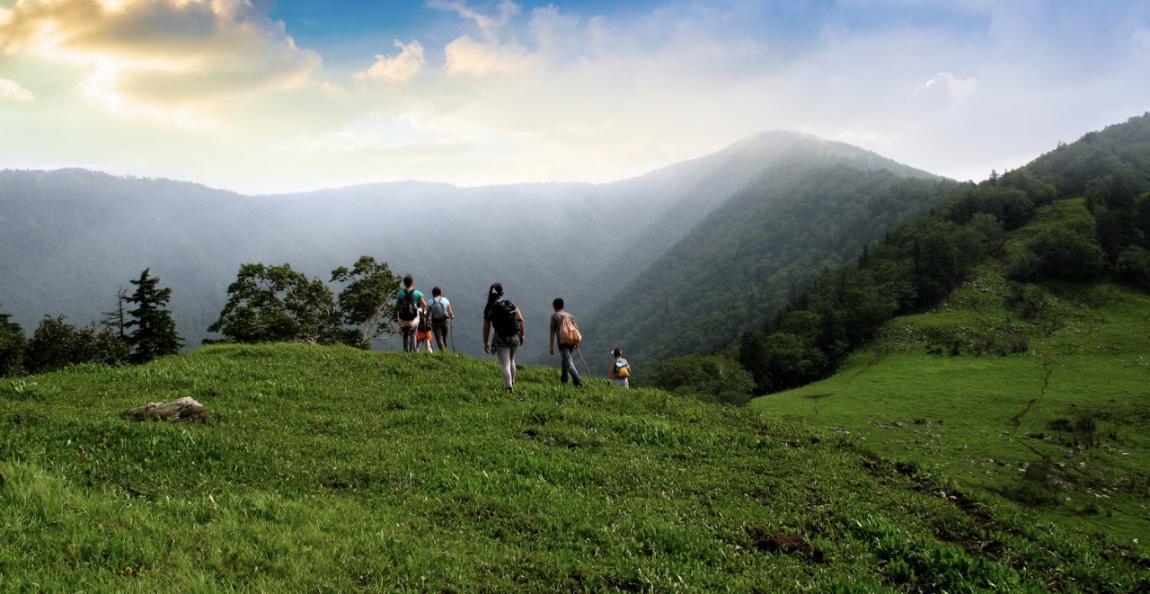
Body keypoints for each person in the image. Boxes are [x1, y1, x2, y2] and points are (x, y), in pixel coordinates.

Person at [482, 282, 525, 393]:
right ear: (502, 292)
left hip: (500, 337)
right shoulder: (510, 303)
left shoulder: (489, 308)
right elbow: (520, 319)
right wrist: (522, 335)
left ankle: (509, 387)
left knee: (505, 363)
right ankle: (513, 383)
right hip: (514, 335)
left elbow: (486, 327)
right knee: (512, 360)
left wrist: (485, 342)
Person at [548, 297, 583, 387]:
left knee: (568, 362)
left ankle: (578, 381)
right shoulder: (569, 315)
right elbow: (576, 329)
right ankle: (564, 380)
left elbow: (552, 332)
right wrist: (576, 342)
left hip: (562, 342)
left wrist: (551, 346)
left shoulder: (554, 316)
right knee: (565, 360)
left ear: (555, 306)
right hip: (571, 342)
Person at [394, 274, 428, 352]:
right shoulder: (417, 293)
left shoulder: (400, 293)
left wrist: (397, 318)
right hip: (414, 318)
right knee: (413, 335)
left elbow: (397, 307)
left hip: (403, 318)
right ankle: (413, 352)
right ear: (412, 282)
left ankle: (406, 351)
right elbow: (425, 305)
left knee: (405, 335)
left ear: (404, 283)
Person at [428, 286, 455, 352]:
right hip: (445, 321)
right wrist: (452, 316)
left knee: (439, 339)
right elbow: (450, 311)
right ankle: (445, 352)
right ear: (440, 293)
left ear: (433, 294)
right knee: (444, 337)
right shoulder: (445, 300)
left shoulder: (430, 301)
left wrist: (426, 319)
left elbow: (427, 313)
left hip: (435, 322)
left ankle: (444, 353)